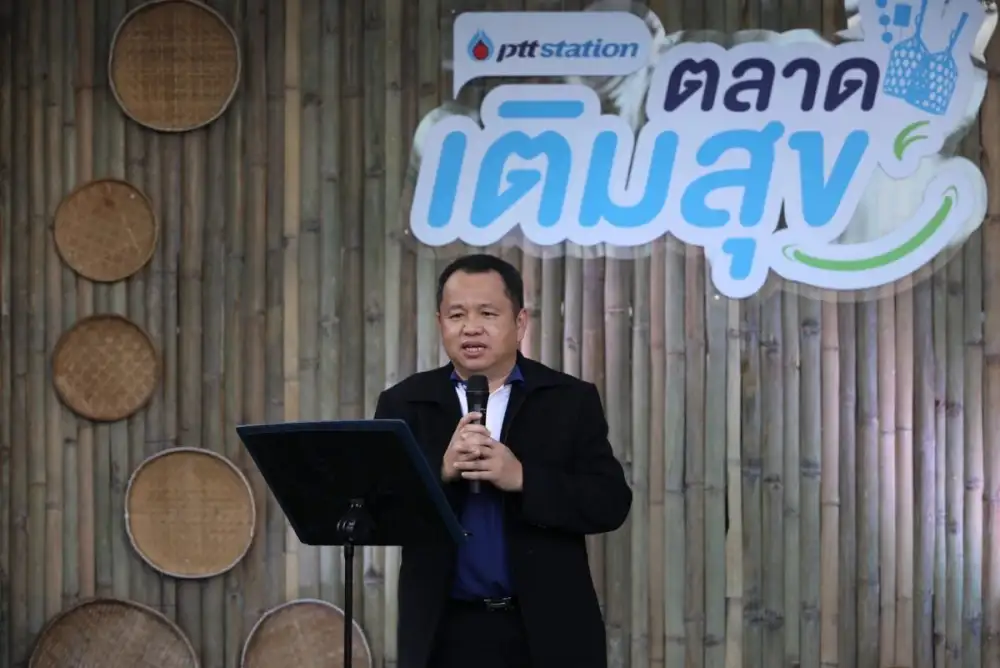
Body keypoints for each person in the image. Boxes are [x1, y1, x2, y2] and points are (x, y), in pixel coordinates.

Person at [374, 253, 632, 668]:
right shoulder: (405, 403)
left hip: (547, 632)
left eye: (488, 313)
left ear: (520, 323)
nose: (471, 327)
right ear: (440, 322)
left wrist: (523, 478)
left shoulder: (568, 400)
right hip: (442, 632)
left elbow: (610, 503)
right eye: (457, 314)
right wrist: (440, 472)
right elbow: (380, 512)